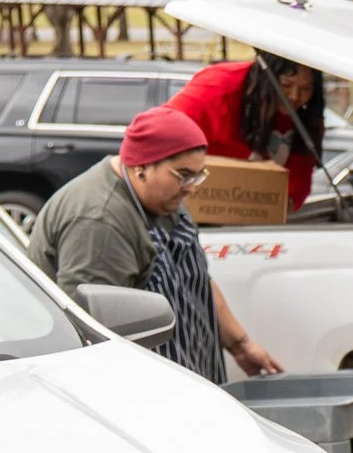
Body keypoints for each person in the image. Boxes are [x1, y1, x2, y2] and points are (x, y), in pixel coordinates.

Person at [27, 104, 282, 382]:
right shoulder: (100, 221)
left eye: (198, 174)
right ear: (141, 167)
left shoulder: (165, 198)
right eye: (184, 175)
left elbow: (197, 281)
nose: (193, 186)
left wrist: (240, 345)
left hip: (186, 377)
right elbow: (96, 335)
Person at [168, 50, 328, 212]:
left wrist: (281, 207)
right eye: (286, 85)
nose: (295, 96)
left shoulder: (305, 115)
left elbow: (299, 177)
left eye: (306, 89)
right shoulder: (216, 88)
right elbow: (165, 132)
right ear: (265, 76)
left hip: (255, 218)